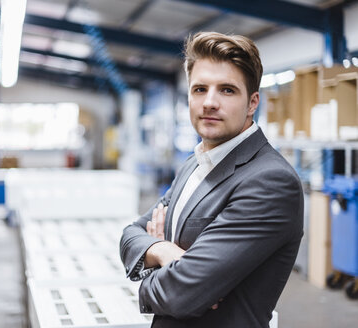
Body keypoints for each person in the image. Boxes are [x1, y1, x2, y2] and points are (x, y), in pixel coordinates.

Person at [119, 31, 303, 328]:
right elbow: (130, 234)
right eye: (200, 89)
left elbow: (179, 294)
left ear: (253, 102)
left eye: (227, 90)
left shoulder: (270, 181)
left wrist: (151, 271)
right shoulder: (194, 163)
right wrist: (165, 251)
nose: (209, 102)